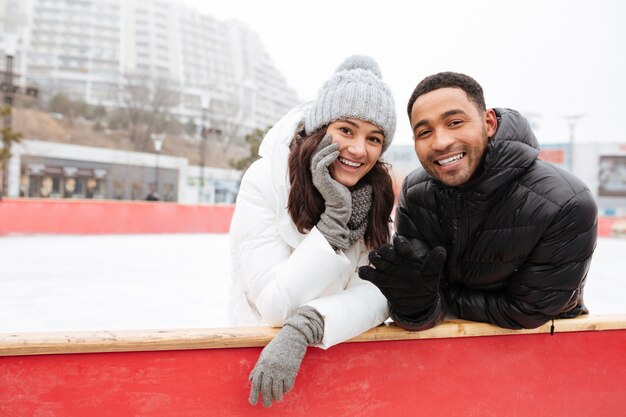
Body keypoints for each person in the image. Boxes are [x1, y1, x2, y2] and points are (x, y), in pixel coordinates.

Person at [359, 71, 597, 332]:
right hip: (438, 359)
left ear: (489, 123)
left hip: (542, 353)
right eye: (425, 131)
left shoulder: (565, 202)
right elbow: (420, 294)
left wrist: (440, 300)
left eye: (455, 122)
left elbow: (526, 310)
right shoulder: (416, 193)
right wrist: (414, 307)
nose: (441, 142)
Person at [228, 55, 396, 407]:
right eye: (346, 130)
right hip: (257, 371)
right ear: (320, 128)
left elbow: (378, 294)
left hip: (338, 365)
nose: (358, 150)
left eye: (374, 138)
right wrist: (334, 222)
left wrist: (308, 324)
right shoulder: (267, 180)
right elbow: (272, 305)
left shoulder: (375, 196)